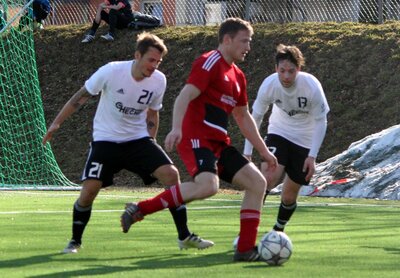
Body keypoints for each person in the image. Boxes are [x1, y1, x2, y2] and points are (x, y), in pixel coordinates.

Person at [120, 18, 277, 262]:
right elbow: (185, 96)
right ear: (227, 39)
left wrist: (264, 152)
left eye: (250, 41)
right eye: (244, 41)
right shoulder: (209, 61)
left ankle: (245, 249)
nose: (248, 47)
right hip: (196, 137)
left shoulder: (238, 76)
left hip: (218, 142)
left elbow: (243, 117)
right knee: (208, 186)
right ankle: (141, 209)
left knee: (257, 183)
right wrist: (175, 128)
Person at [42, 32, 213, 254]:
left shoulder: (159, 80)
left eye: (158, 62)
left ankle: (184, 236)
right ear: (137, 55)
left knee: (171, 174)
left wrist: (151, 141)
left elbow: (153, 113)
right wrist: (56, 123)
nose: (154, 66)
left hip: (137, 140)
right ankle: (75, 241)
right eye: (151, 60)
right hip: (106, 140)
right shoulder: (111, 71)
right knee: (89, 191)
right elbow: (80, 97)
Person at [243, 44, 330, 233]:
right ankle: (248, 231)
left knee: (289, 196)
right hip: (278, 132)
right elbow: (254, 119)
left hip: (305, 140)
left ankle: (278, 231)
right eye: (282, 71)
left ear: (299, 69)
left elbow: (321, 122)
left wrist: (312, 156)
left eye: (291, 71)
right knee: (266, 178)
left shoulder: (311, 86)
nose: (286, 76)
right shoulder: (269, 85)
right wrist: (247, 153)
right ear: (276, 69)